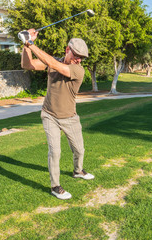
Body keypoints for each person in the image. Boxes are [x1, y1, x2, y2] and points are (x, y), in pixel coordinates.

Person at [21, 29, 94, 200]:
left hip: (70, 117)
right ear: (67, 49)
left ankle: (78, 171)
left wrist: (31, 43)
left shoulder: (78, 70)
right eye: (76, 55)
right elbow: (27, 65)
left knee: (79, 149)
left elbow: (54, 65)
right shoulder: (54, 61)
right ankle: (55, 186)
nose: (78, 60)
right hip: (49, 115)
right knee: (55, 151)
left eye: (81, 58)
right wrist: (25, 45)